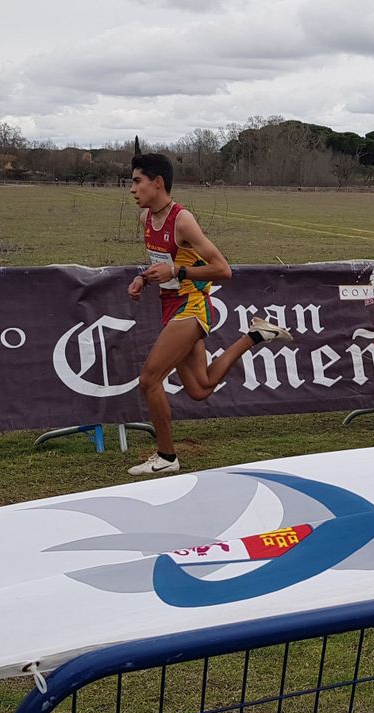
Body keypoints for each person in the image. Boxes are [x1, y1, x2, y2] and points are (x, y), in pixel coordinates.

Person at [125, 153, 292, 476]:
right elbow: (164, 266)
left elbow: (222, 270)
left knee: (149, 380)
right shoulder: (146, 219)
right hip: (170, 306)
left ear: (157, 183)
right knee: (200, 389)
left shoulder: (182, 220)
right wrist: (143, 279)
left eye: (136, 181)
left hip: (192, 307)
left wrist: (177, 270)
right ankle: (255, 336)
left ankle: (166, 457)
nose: (132, 189)